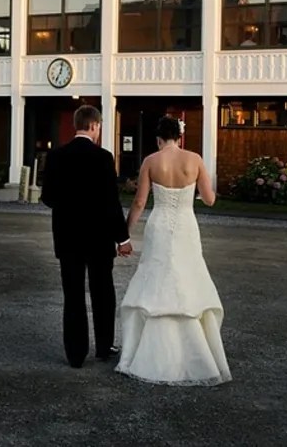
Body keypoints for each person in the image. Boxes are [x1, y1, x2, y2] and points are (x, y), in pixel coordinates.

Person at [115, 115, 232, 386]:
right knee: (188, 277)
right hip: (185, 226)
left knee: (157, 279)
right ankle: (195, 353)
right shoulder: (194, 159)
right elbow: (210, 199)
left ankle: (151, 354)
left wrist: (125, 233)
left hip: (159, 225)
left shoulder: (151, 161)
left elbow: (140, 202)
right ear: (180, 137)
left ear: (159, 139)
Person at [41, 105, 133, 369]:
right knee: (102, 291)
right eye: (99, 127)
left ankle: (75, 353)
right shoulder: (103, 158)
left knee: (73, 295)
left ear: (76, 125)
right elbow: (111, 202)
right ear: (94, 126)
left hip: (68, 236)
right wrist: (122, 238)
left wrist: (67, 206)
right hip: (98, 237)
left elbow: (47, 197)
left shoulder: (56, 156)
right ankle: (104, 347)